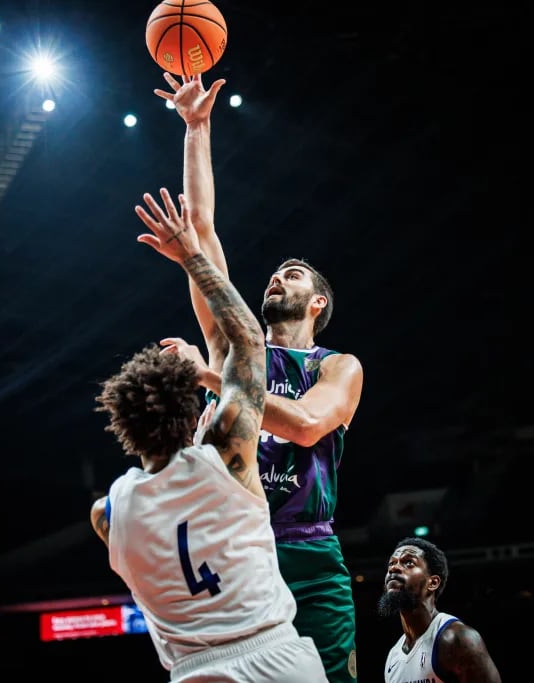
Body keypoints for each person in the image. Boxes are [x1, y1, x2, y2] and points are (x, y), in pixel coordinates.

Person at [152, 71, 365, 682]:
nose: (278, 277)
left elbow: (302, 427)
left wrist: (210, 378)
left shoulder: (337, 365)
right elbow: (203, 231)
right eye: (275, 273)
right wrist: (196, 126)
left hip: (309, 546)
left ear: (317, 303)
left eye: (293, 274)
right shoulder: (232, 346)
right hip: (240, 543)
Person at [89, 187, 327, 683]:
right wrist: (192, 254)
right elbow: (245, 341)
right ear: (191, 403)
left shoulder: (108, 512)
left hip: (194, 670)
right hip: (273, 653)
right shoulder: (228, 457)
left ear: (123, 424)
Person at [379, 537, 502, 683]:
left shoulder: (457, 639)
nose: (393, 568)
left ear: (432, 582)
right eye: (391, 563)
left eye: (408, 563)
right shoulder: (393, 657)